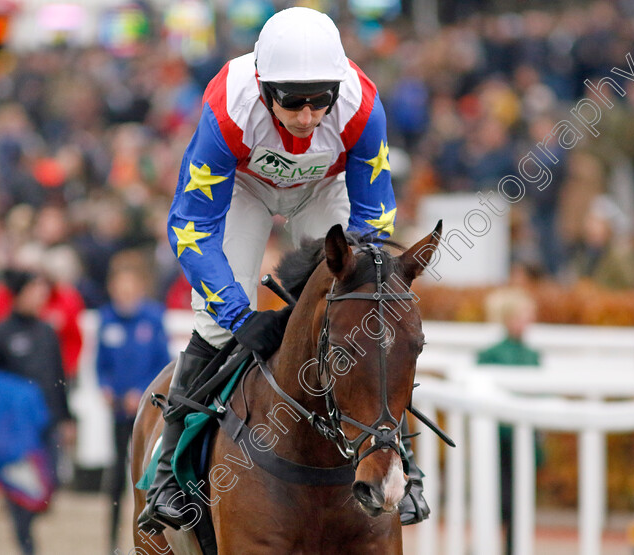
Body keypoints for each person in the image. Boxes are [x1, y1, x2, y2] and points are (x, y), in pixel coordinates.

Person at [138, 7, 426, 532]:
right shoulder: (228, 108)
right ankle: (168, 476)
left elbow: (374, 220)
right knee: (212, 322)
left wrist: (360, 282)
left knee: (368, 316)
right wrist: (239, 316)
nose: (308, 115)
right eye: (293, 101)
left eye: (321, 100)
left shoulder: (362, 107)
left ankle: (398, 459)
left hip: (325, 189)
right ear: (264, 88)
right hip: (243, 189)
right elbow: (189, 226)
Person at [0, 270, 75, 554]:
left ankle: (27, 524)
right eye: (34, 290)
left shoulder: (47, 332)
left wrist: (68, 418)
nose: (40, 296)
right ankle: (26, 546)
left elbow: (59, 378)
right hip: (15, 430)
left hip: (48, 423)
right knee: (18, 490)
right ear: (19, 294)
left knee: (50, 484)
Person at [96, 252, 170, 550]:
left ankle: (154, 535)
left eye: (130, 287)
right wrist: (105, 387)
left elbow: (162, 364)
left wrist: (141, 391)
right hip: (118, 413)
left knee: (148, 473)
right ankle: (113, 540)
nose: (125, 293)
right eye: (120, 286)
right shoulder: (106, 319)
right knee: (115, 476)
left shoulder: (152, 319)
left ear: (140, 288)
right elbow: (101, 365)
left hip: (149, 413)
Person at [476, 288, 543, 555]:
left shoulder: (532, 354)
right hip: (498, 438)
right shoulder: (491, 353)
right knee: (501, 498)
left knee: (520, 500)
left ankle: (512, 547)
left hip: (522, 436)